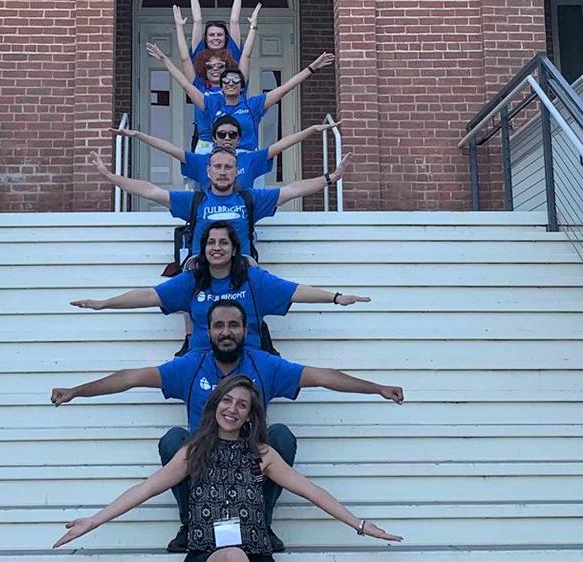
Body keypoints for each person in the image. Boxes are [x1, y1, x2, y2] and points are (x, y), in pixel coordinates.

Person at [51, 308, 404, 554]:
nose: (226, 331)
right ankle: (190, 522)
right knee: (174, 440)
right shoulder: (192, 368)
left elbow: (324, 380)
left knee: (281, 436)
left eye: (234, 324)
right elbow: (131, 380)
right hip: (203, 481)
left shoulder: (264, 374)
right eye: (218, 325)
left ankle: (261, 522)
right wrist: (94, 521)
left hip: (248, 506)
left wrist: (359, 524)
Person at [69, 222, 370, 353]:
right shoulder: (192, 280)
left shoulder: (254, 280)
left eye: (223, 242)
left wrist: (335, 297)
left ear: (234, 248)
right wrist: (104, 303)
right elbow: (150, 295)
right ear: (202, 248)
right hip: (202, 360)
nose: (217, 247)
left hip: (247, 361)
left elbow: (294, 290)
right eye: (211, 242)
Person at [88, 148, 346, 264]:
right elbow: (149, 190)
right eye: (218, 167)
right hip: (202, 267)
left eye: (229, 167)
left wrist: (330, 178)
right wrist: (111, 177)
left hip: (240, 269)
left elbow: (293, 189)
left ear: (237, 172)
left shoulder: (250, 198)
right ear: (208, 172)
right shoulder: (195, 200)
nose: (223, 172)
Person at [145, 42, 335, 153]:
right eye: (225, 80)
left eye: (235, 80)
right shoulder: (211, 104)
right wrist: (165, 60)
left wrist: (311, 68)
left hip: (248, 161)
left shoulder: (254, 105)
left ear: (242, 86)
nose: (230, 83)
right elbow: (186, 84)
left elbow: (285, 88)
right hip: (219, 161)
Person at [115, 115, 340, 188]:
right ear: (213, 137)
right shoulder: (202, 160)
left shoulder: (250, 159)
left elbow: (283, 144)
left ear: (239, 138)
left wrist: (311, 129)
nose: (226, 139)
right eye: (221, 134)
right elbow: (170, 148)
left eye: (232, 135)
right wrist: (138, 136)